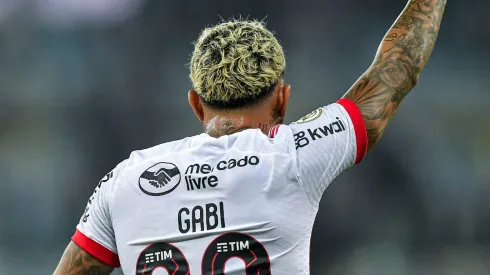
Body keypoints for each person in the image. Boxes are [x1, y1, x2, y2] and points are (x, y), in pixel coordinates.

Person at [54, 0, 447, 274]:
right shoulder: (293, 157)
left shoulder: (125, 179)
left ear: (195, 103)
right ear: (283, 98)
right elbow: (394, 73)